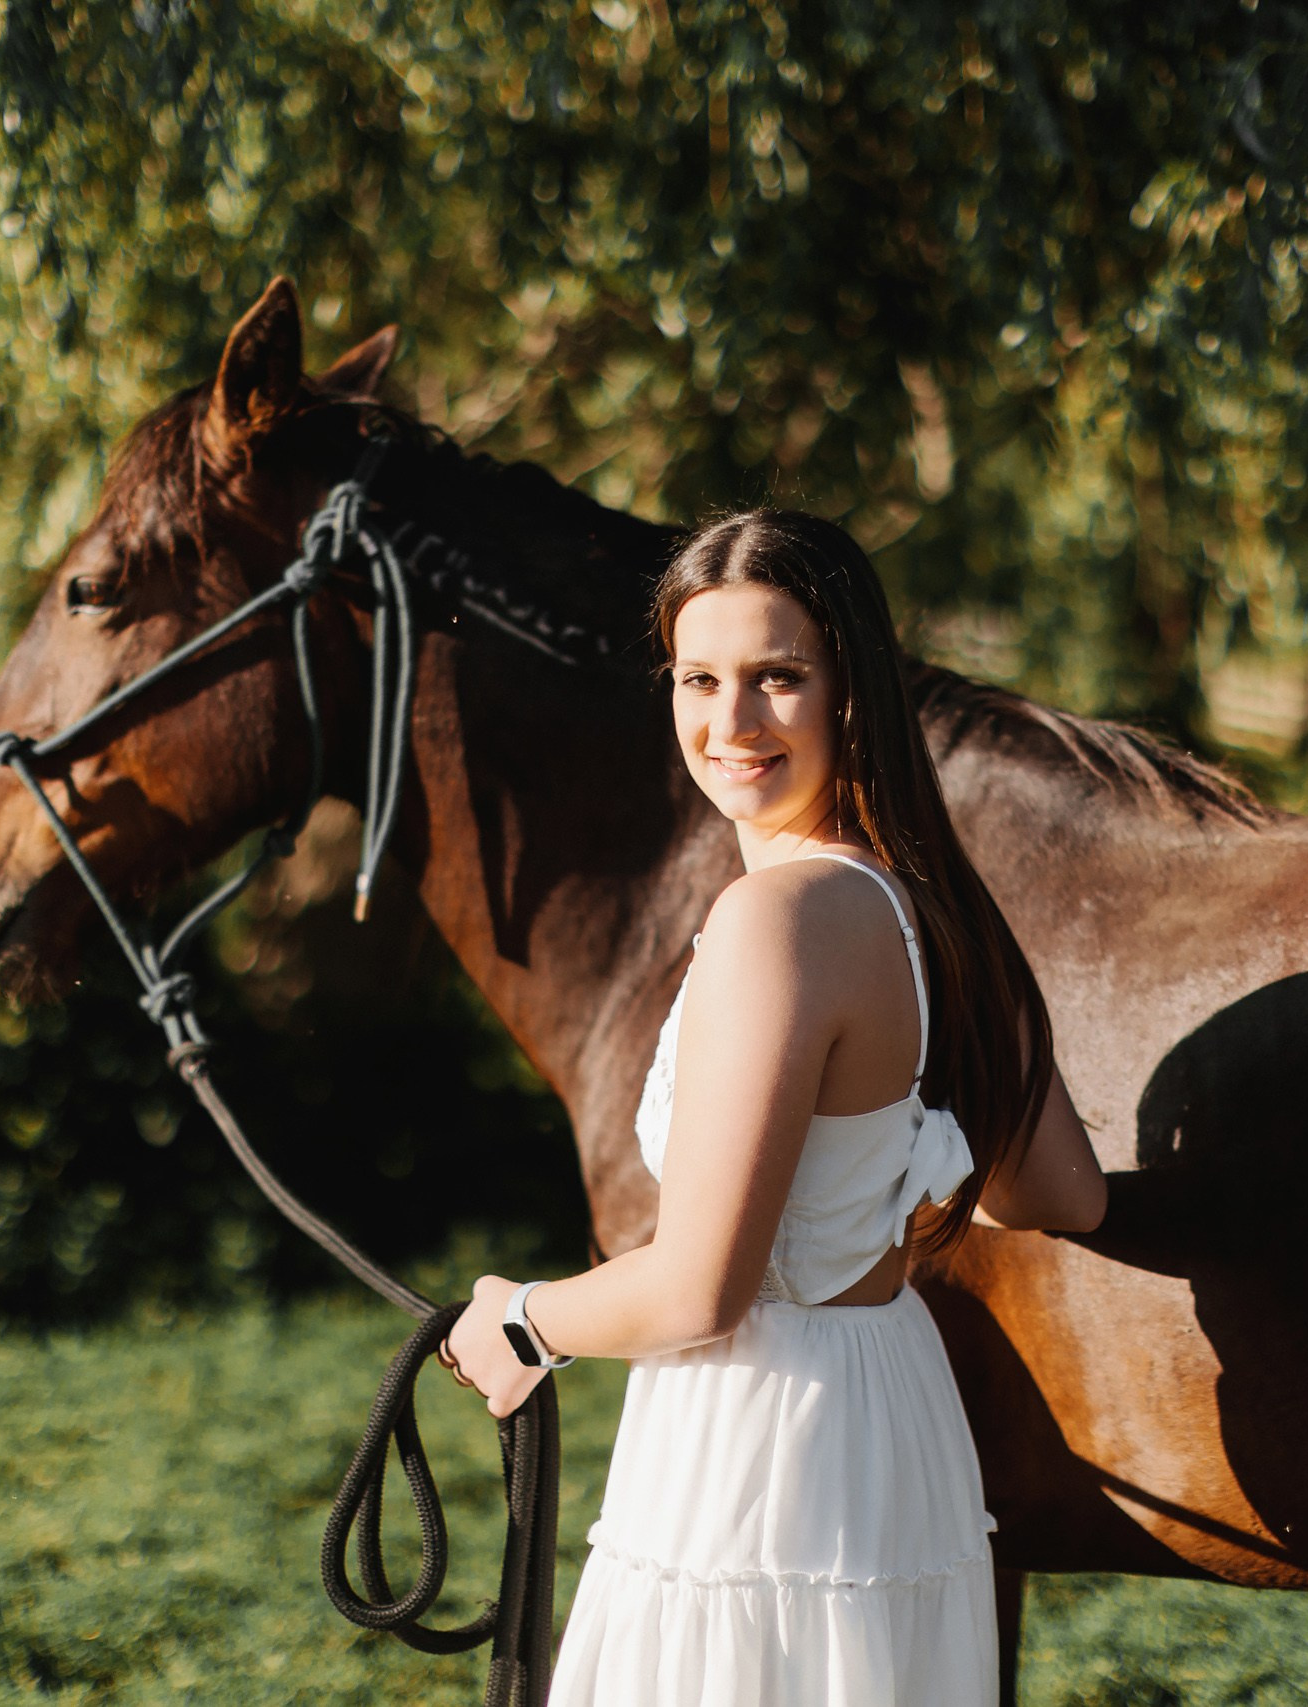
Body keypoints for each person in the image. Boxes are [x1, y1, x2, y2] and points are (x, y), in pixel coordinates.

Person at [443, 508, 1108, 1706]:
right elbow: (1062, 1192)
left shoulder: (776, 920)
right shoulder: (934, 902)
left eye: (777, 678)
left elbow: (702, 1288)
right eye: (699, 678)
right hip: (892, 1414)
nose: (730, 724)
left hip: (765, 1438)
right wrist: (871, 1199)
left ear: (852, 691)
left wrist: (523, 1324)